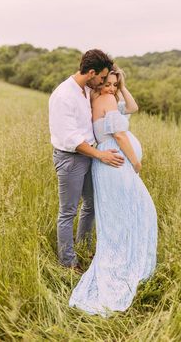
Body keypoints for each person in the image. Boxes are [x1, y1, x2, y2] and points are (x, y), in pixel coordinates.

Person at [69, 66, 158, 316]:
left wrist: (123, 86)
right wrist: (136, 163)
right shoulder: (106, 99)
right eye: (108, 83)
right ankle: (127, 265)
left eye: (115, 84)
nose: (111, 88)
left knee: (120, 215)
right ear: (98, 81)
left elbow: (132, 108)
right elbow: (119, 135)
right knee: (141, 211)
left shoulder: (102, 98)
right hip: (117, 163)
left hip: (108, 165)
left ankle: (125, 259)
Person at [49, 50, 124, 272]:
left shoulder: (86, 88)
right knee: (68, 211)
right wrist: (101, 155)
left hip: (89, 155)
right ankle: (68, 262)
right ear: (91, 73)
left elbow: (114, 99)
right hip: (71, 159)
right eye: (101, 78)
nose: (103, 83)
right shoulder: (64, 95)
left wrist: (119, 80)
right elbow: (70, 138)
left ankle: (83, 247)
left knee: (91, 205)